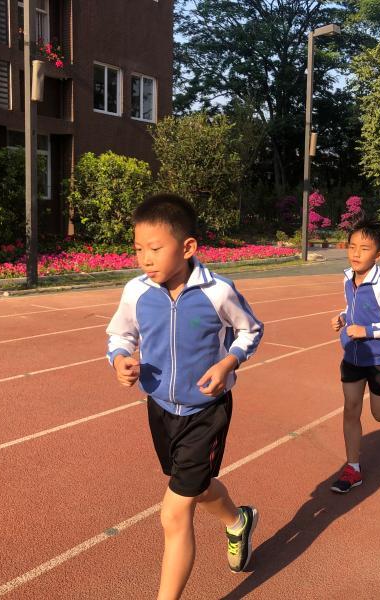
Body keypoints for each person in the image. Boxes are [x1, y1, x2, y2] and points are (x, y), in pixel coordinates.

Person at [106, 194, 263, 599]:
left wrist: (228, 363)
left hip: (206, 413)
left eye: (155, 249)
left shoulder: (218, 292)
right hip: (160, 408)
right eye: (138, 249)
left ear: (188, 247)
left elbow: (250, 330)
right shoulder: (137, 291)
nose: (145, 259)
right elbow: (120, 334)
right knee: (197, 486)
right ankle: (238, 521)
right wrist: (120, 359)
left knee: (174, 513)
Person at [330, 214, 380, 493]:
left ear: (378, 255)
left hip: (379, 358)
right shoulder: (347, 278)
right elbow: (352, 308)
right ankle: (353, 468)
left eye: (364, 249)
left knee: (379, 412)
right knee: (351, 409)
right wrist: (343, 318)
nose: (356, 253)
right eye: (352, 246)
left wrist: (366, 330)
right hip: (352, 356)